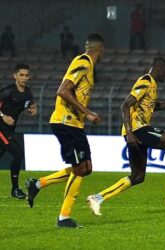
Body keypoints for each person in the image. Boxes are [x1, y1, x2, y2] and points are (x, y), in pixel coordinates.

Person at [86, 57, 165, 216]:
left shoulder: (152, 85)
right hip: (137, 130)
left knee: (137, 176)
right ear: (159, 69)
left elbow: (152, 106)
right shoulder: (146, 81)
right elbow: (125, 105)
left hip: (137, 131)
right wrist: (129, 132)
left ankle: (97, 198)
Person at [25, 33, 104, 228]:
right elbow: (62, 90)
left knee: (86, 168)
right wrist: (87, 113)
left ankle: (38, 184)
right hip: (65, 121)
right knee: (79, 169)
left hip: (75, 124)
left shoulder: (88, 66)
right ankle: (64, 217)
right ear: (99, 49)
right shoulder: (83, 61)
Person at [0, 64, 37, 199]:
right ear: (15, 76)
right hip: (1, 128)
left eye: (26, 75)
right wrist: (3, 116)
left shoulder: (28, 92)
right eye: (21, 75)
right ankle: (15, 189)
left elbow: (31, 105)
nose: (24, 78)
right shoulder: (7, 91)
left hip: (9, 129)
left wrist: (33, 109)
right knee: (18, 154)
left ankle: (15, 190)